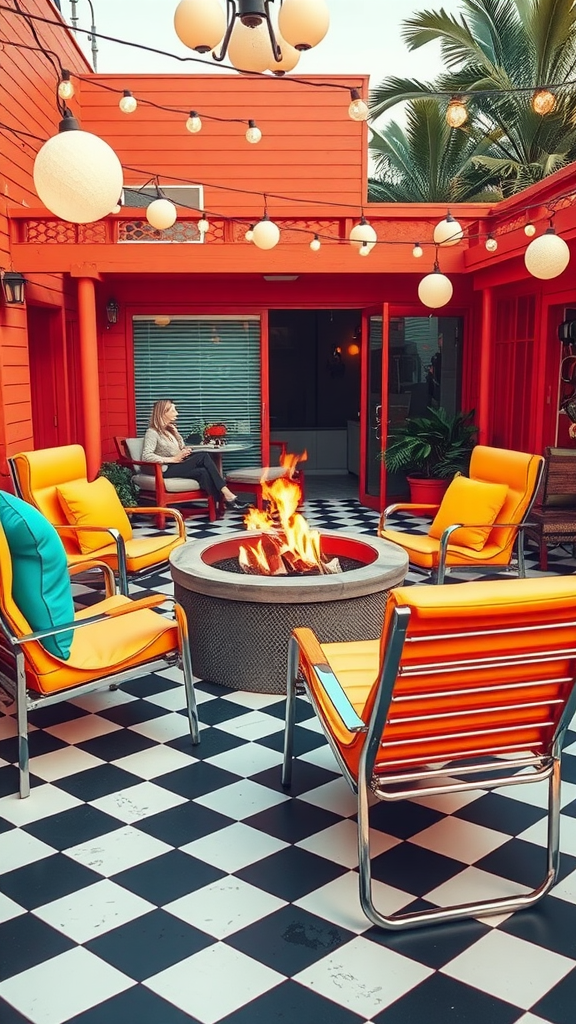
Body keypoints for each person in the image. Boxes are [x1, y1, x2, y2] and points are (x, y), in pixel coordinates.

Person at [142, 399, 245, 509]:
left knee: (203, 472)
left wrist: (178, 438)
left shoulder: (170, 431)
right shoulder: (152, 432)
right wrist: (173, 459)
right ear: (163, 413)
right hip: (165, 470)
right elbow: (146, 456)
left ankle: (220, 505)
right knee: (204, 456)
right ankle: (226, 493)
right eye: (173, 410)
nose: (177, 413)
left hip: (178, 465)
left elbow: (181, 447)